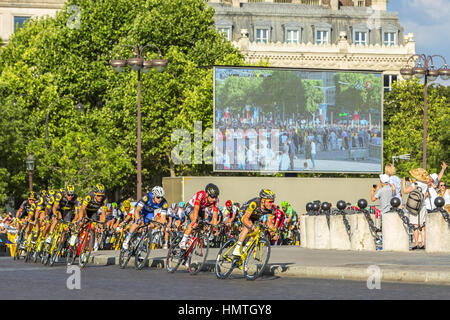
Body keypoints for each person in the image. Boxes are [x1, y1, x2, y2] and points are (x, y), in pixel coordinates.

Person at [232, 189, 278, 256]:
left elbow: (269, 223)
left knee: (256, 231)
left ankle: (245, 249)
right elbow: (245, 219)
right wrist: (251, 226)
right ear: (263, 200)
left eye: (273, 201)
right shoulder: (254, 203)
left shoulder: (271, 209)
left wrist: (273, 233)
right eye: (270, 201)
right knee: (248, 227)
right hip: (244, 213)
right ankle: (237, 248)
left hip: (255, 217)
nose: (271, 204)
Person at [122, 186, 168, 250]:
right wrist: (138, 219)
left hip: (149, 212)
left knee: (151, 225)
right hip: (140, 210)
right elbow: (137, 210)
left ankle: (143, 243)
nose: (160, 199)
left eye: (161, 197)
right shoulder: (147, 197)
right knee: (138, 223)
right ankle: (127, 239)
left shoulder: (164, 203)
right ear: (153, 196)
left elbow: (163, 218)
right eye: (158, 197)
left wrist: (162, 226)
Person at [179, 183, 220, 250]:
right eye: (212, 197)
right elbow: (196, 209)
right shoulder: (200, 195)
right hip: (191, 206)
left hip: (201, 209)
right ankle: (183, 241)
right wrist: (195, 220)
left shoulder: (216, 200)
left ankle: (190, 241)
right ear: (207, 194)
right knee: (195, 222)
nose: (214, 199)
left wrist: (215, 228)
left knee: (202, 226)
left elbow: (215, 217)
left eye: (216, 197)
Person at [402, 168, 433, 250]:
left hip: (414, 206)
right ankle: (423, 243)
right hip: (422, 206)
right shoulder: (425, 184)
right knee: (422, 225)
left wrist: (403, 183)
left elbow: (405, 191)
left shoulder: (415, 184)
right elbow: (426, 194)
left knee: (415, 225)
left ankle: (416, 243)